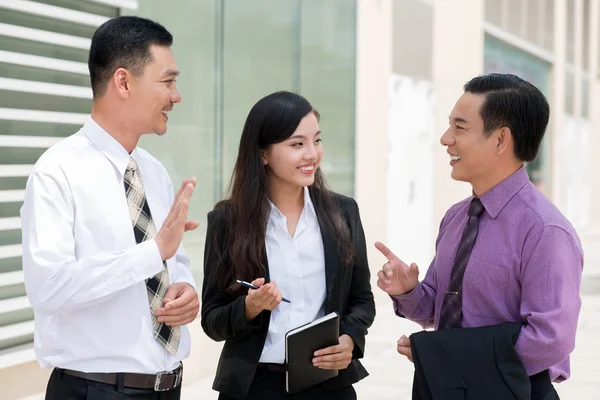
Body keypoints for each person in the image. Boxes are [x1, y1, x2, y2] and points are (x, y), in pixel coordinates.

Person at [20, 16, 199, 400]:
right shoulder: (58, 171)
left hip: (168, 386)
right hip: (95, 390)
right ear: (123, 82)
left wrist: (184, 287)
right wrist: (151, 254)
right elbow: (48, 288)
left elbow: (172, 259)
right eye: (167, 81)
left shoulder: (154, 172)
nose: (176, 96)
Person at [376, 73, 583, 397]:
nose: (445, 139)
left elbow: (551, 340)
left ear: (501, 140)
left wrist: (444, 356)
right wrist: (410, 290)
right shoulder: (457, 217)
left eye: (460, 128)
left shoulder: (545, 232)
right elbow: (439, 309)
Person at [201, 91, 376, 400]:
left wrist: (349, 340)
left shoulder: (343, 213)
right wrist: (250, 306)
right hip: (255, 388)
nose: (312, 154)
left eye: (317, 141)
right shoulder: (228, 221)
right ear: (263, 154)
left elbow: (362, 300)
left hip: (328, 384)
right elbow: (213, 321)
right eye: (297, 144)